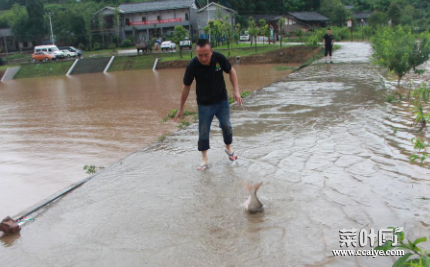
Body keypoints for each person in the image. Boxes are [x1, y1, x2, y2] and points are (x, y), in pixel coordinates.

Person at [174, 39, 244, 171]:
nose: (203, 58)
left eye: (206, 54)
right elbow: (186, 87)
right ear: (196, 53)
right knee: (204, 130)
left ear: (211, 51)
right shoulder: (193, 65)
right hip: (204, 104)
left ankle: (228, 148)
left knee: (226, 125)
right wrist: (180, 108)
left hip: (222, 100)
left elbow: (232, 72)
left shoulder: (218, 58)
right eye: (200, 55)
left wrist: (236, 91)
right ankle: (204, 159)